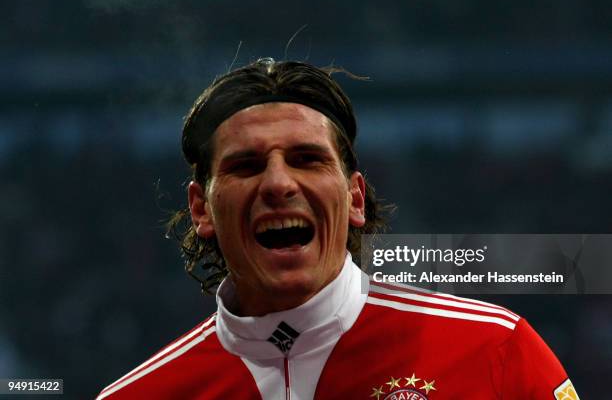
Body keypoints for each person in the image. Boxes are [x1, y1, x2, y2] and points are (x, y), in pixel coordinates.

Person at [96, 58, 579, 399]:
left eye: (307, 159)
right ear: (201, 209)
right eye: (246, 165)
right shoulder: (143, 394)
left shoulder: (494, 352)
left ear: (353, 198)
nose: (279, 183)